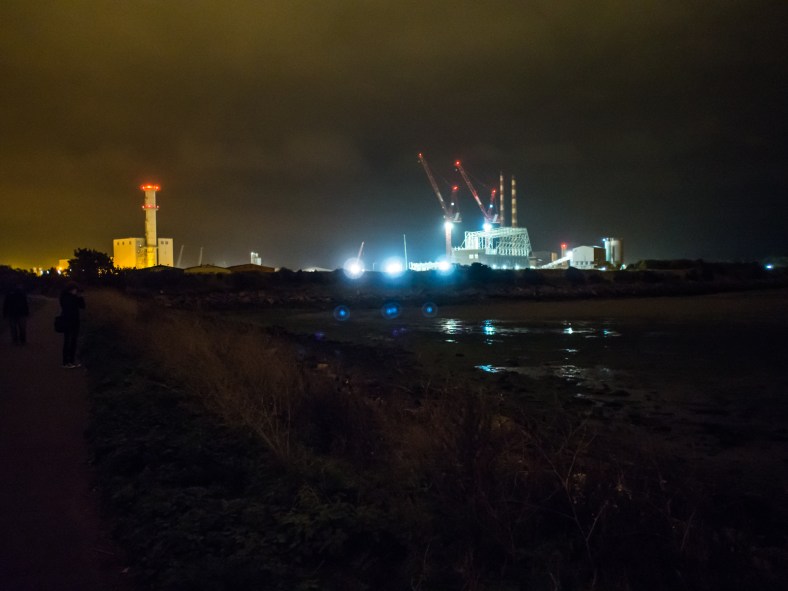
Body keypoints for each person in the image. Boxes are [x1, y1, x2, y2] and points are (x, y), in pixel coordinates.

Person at [59, 282, 85, 368]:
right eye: (75, 290)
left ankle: (71, 361)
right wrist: (78, 298)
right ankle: (66, 362)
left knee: (72, 341)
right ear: (71, 290)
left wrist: (80, 298)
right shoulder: (67, 298)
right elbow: (77, 307)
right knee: (68, 342)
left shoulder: (68, 297)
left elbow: (82, 306)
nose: (76, 292)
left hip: (73, 321)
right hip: (69, 321)